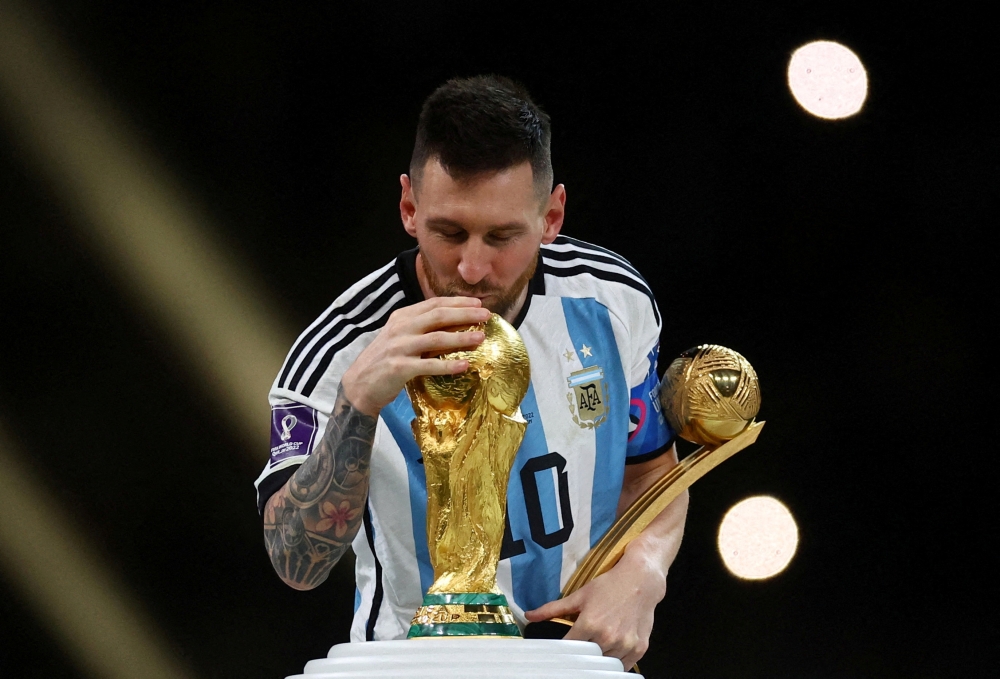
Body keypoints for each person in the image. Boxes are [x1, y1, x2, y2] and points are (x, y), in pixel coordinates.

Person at [255, 75, 688, 669]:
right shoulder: (336, 354)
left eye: (503, 236)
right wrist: (356, 404)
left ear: (552, 215)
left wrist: (645, 567)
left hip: (574, 664)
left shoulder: (612, 304)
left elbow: (652, 475)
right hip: (411, 666)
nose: (474, 267)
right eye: (449, 232)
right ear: (409, 208)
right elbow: (295, 561)